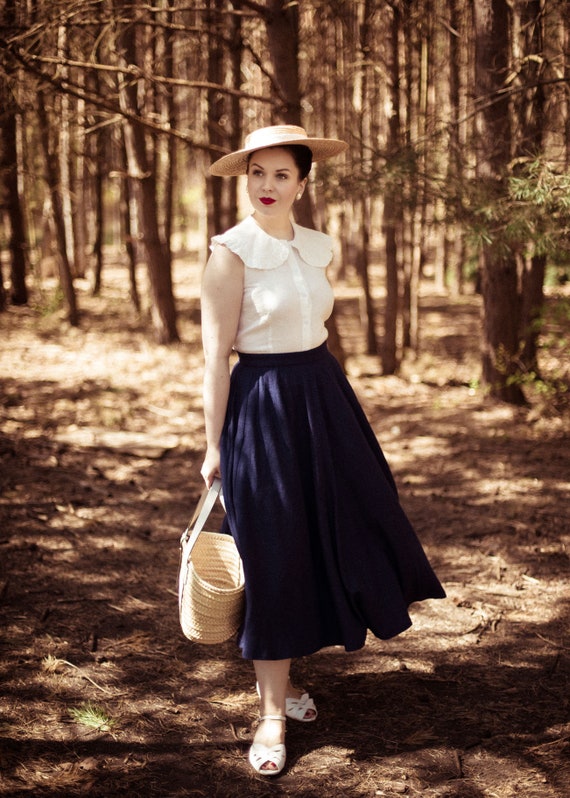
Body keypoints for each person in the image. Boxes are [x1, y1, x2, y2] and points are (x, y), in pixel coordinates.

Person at [200, 125, 445, 776]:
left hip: (324, 401)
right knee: (273, 551)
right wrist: (214, 445)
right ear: (244, 180)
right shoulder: (229, 254)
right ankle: (273, 714)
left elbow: (317, 331)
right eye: (258, 174)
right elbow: (214, 361)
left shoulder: (318, 248)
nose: (268, 186)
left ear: (303, 184)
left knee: (346, 530)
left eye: (282, 175)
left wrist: (332, 403)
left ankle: (290, 682)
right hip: (260, 405)